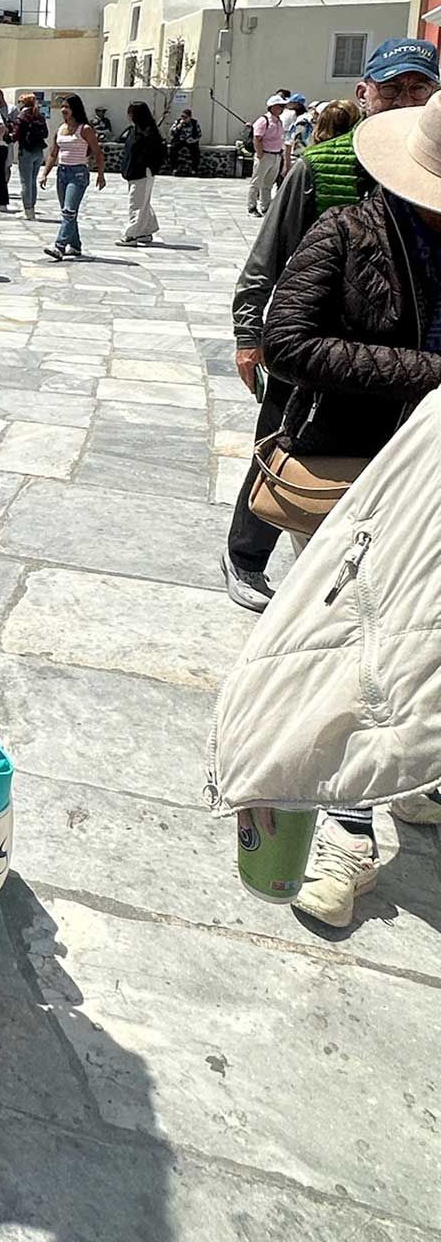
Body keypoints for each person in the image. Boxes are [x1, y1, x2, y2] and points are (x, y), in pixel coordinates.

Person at [261, 89, 441, 924]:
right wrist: (424, 373)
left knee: (423, 647)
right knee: (352, 649)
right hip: (355, 471)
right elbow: (287, 341)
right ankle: (347, 827)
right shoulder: (347, 232)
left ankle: (408, 778)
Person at [224, 38, 440, 609]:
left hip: (392, 382)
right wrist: (250, 336)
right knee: (282, 457)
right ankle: (245, 556)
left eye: (419, 87)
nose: (405, 99)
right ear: (363, 93)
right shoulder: (323, 167)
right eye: (392, 88)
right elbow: (267, 261)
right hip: (320, 344)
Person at [40, 94, 106, 260]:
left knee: (69, 211)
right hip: (62, 173)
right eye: (62, 107)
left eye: (67, 107)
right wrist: (45, 173)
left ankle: (59, 246)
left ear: (75, 109)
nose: (64, 110)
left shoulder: (85, 129)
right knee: (68, 212)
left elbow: (97, 153)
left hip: (78, 174)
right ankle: (75, 246)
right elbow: (53, 154)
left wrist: (100, 174)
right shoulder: (60, 129)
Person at [115, 100, 167, 246]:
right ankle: (145, 231)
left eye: (131, 112)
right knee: (143, 202)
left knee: (136, 204)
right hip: (133, 172)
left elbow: (152, 154)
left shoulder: (148, 132)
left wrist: (147, 167)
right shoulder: (135, 130)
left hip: (143, 172)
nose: (129, 116)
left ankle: (131, 235)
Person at [248, 94, 287, 215]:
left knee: (268, 184)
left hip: (276, 155)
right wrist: (260, 154)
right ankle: (252, 207)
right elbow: (257, 138)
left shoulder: (279, 121)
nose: (282, 109)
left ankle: (266, 206)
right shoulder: (263, 120)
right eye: (280, 106)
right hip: (265, 155)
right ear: (272, 107)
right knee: (256, 183)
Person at [13, 92, 49, 220]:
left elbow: (16, 134)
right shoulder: (38, 115)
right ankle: (31, 208)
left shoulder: (23, 115)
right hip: (38, 151)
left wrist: (9, 136)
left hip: (26, 150)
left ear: (23, 103)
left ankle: (28, 211)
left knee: (25, 182)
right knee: (32, 181)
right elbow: (46, 133)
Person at [280, 97, 313, 176]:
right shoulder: (303, 118)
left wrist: (286, 164)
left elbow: (293, 142)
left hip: (297, 158)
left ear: (297, 105)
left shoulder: (301, 121)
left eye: (290, 103)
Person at [168, 107, 202, 177]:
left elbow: (199, 134)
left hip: (190, 141)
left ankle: (194, 170)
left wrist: (193, 140)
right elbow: (171, 132)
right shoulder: (178, 122)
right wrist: (179, 126)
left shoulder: (194, 123)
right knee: (173, 149)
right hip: (179, 140)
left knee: (195, 152)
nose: (183, 118)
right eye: (182, 116)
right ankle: (174, 169)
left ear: (189, 117)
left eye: (185, 117)